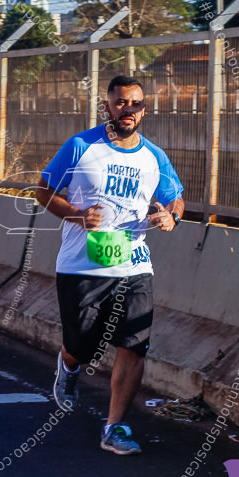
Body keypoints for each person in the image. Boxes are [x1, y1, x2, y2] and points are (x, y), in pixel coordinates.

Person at [35, 75, 184, 456]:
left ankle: (114, 426)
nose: (128, 110)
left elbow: (176, 198)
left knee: (134, 346)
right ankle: (69, 366)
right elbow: (43, 191)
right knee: (83, 345)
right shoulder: (81, 146)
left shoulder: (155, 157)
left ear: (144, 109)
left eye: (135, 104)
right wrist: (77, 214)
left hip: (134, 264)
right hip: (82, 265)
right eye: (121, 103)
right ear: (108, 107)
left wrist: (171, 217)